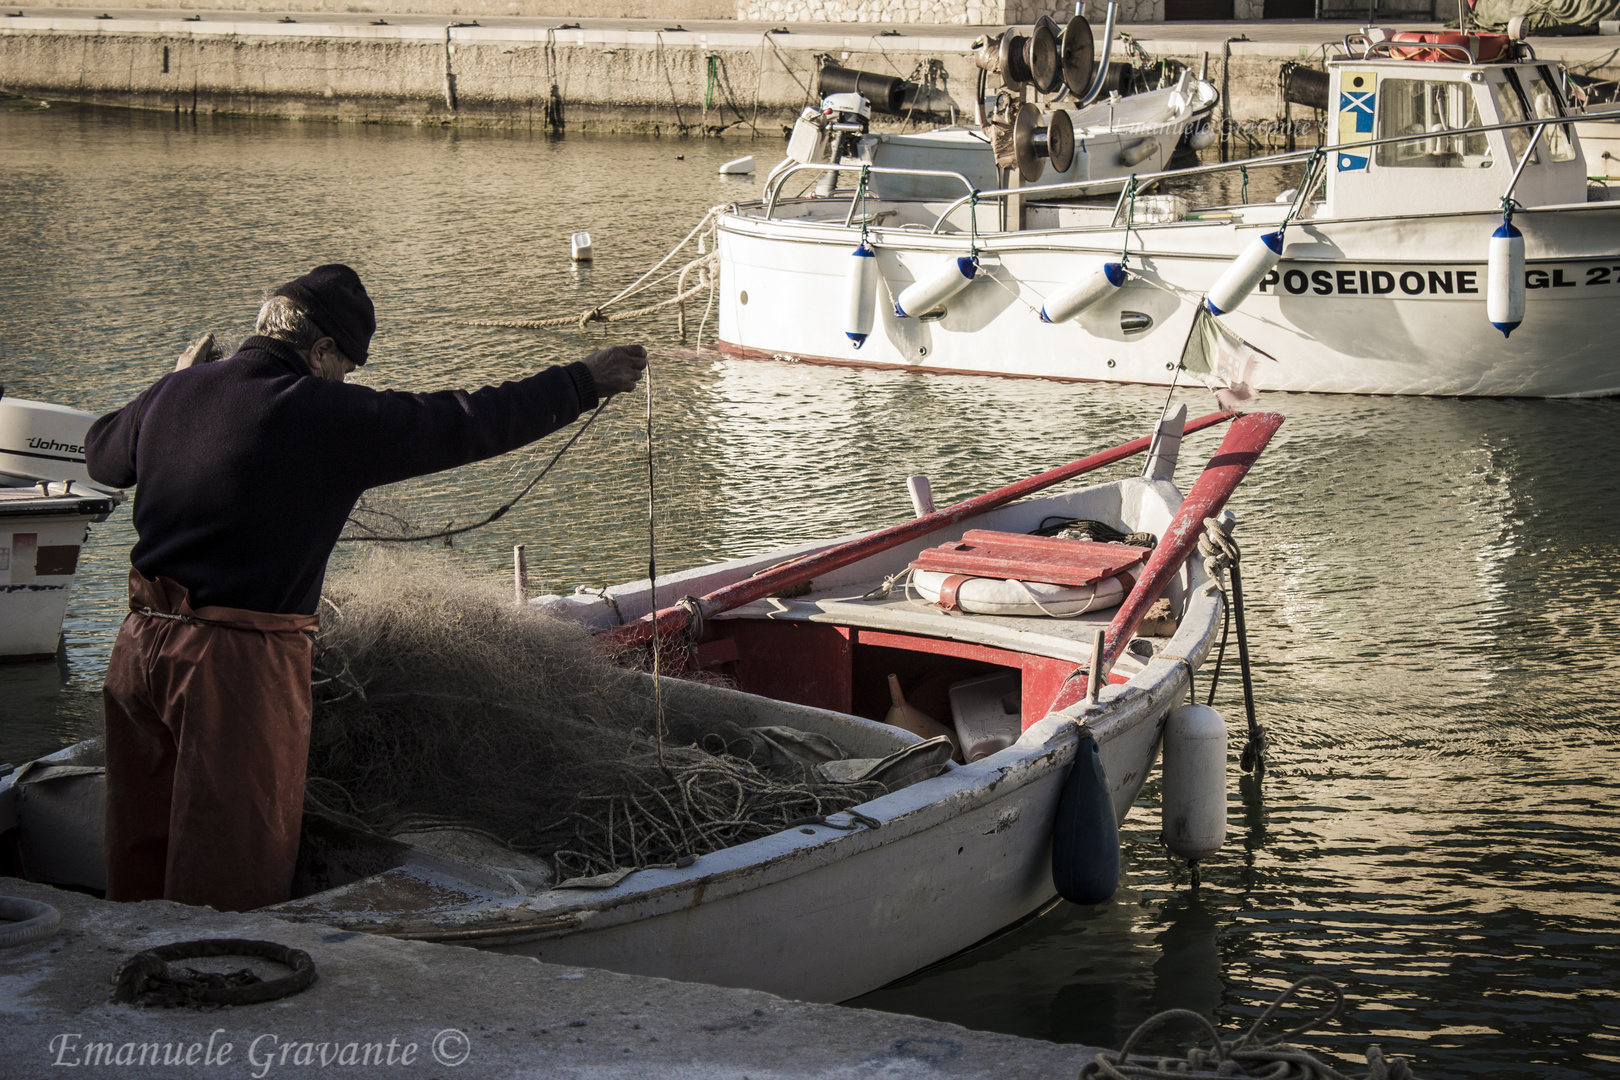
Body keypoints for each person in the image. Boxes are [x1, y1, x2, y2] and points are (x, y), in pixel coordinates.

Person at [86, 263, 647, 912]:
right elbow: (465, 419)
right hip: (232, 665)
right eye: (347, 366)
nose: (348, 379)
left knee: (139, 840)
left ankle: (136, 975)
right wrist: (582, 381)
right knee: (232, 863)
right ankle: (217, 992)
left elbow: (102, 455)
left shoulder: (176, 393)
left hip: (139, 651)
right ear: (321, 350)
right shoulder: (317, 412)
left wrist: (174, 380)